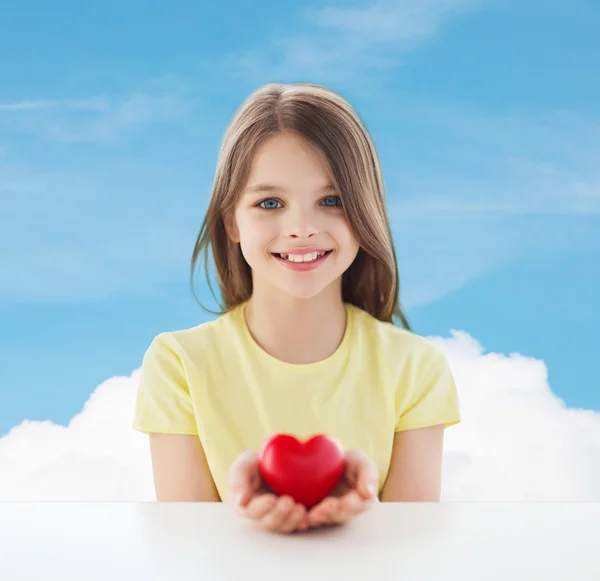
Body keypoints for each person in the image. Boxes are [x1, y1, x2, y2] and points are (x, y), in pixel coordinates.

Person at [132, 82, 461, 534]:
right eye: (270, 202)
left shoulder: (416, 367)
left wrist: (365, 508)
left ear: (367, 212)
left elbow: (414, 552)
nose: (302, 228)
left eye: (332, 201)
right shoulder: (179, 364)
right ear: (232, 220)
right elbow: (186, 550)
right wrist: (242, 510)